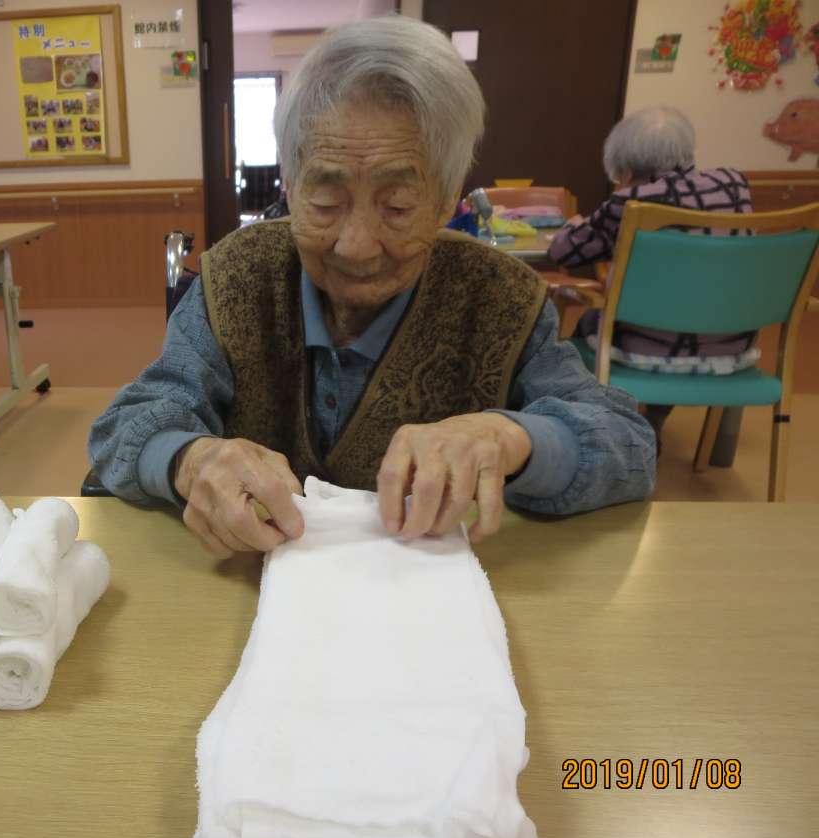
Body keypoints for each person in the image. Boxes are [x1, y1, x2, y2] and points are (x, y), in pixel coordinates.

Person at [88, 17, 656, 559]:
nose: (356, 245)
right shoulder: (236, 277)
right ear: (290, 182)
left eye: (398, 206)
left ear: (447, 198)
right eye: (325, 201)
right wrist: (191, 460)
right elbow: (125, 425)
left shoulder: (501, 299)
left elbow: (628, 444)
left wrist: (510, 438)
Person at [549, 107, 754, 462]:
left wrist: (574, 224)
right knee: (679, 317)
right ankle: (657, 424)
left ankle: (604, 433)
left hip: (647, 348)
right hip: (731, 347)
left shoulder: (630, 202)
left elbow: (563, 251)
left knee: (585, 328)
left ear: (626, 170)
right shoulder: (733, 185)